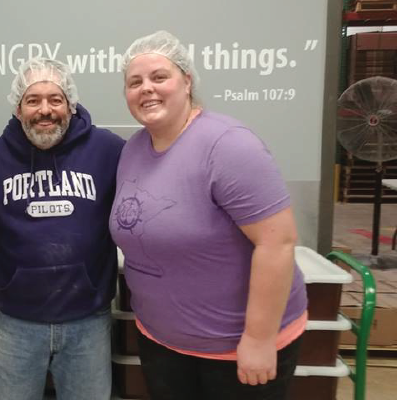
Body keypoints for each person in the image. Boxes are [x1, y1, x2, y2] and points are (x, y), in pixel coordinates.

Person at [110, 30, 307, 399]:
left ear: (186, 81)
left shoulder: (228, 145)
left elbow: (277, 242)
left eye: (159, 77)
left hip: (234, 350)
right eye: (134, 82)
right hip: (162, 342)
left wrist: (259, 339)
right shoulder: (133, 150)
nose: (146, 89)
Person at [0, 58, 124, 399]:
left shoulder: (109, 151)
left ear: (71, 105)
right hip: (17, 323)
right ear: (18, 108)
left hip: (88, 322)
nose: (45, 110)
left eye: (55, 99)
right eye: (33, 100)